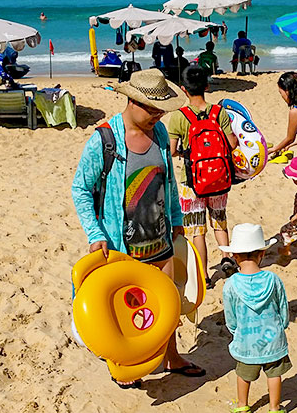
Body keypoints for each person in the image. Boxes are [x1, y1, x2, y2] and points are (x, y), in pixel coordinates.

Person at [71, 69, 205, 387]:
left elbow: (167, 181)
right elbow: (80, 190)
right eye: (152, 109)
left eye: (161, 110)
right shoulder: (104, 140)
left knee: (167, 303)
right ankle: (126, 362)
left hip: (160, 240)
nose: (158, 116)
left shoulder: (159, 134)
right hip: (122, 247)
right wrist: (95, 234)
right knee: (126, 308)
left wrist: (176, 220)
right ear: (132, 101)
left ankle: (171, 356)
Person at [167, 65, 239, 285]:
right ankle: (226, 258)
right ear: (207, 86)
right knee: (219, 220)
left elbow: (171, 150)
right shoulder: (219, 112)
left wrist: (185, 152)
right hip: (218, 178)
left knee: (197, 229)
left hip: (192, 181)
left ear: (183, 89)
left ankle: (204, 275)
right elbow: (232, 143)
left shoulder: (179, 117)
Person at [221, 223, 289, 413]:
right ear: (262, 254)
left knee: (243, 374)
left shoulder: (231, 284)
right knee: (275, 373)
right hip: (272, 336)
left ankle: (243, 405)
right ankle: (274, 408)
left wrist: (235, 331)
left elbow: (230, 314)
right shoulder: (273, 279)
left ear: (235, 257)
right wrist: (282, 324)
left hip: (247, 341)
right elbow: (282, 305)